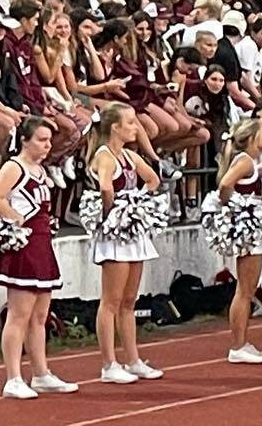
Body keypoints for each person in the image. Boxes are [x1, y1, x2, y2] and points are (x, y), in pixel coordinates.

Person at [0, 116, 76, 400]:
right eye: (41, 139)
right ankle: (13, 377)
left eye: (49, 140)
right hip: (24, 247)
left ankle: (41, 373)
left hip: (42, 245)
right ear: (24, 140)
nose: (47, 145)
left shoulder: (40, 170)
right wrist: (17, 220)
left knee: (40, 316)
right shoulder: (14, 167)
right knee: (18, 314)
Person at [86, 104, 163, 383]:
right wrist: (113, 213)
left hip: (132, 232)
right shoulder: (104, 156)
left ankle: (132, 359)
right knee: (111, 301)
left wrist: (137, 203)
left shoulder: (130, 155)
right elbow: (105, 186)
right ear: (115, 127)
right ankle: (109, 364)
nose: (136, 127)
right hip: (115, 235)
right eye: (130, 123)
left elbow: (153, 179)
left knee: (129, 301)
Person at [209, 117, 262, 364]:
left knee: (247, 289)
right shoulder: (245, 160)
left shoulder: (250, 161)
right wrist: (233, 208)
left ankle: (242, 342)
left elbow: (245, 189)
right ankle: (237, 346)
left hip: (252, 229)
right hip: (248, 231)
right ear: (251, 138)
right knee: (245, 290)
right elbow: (225, 185)